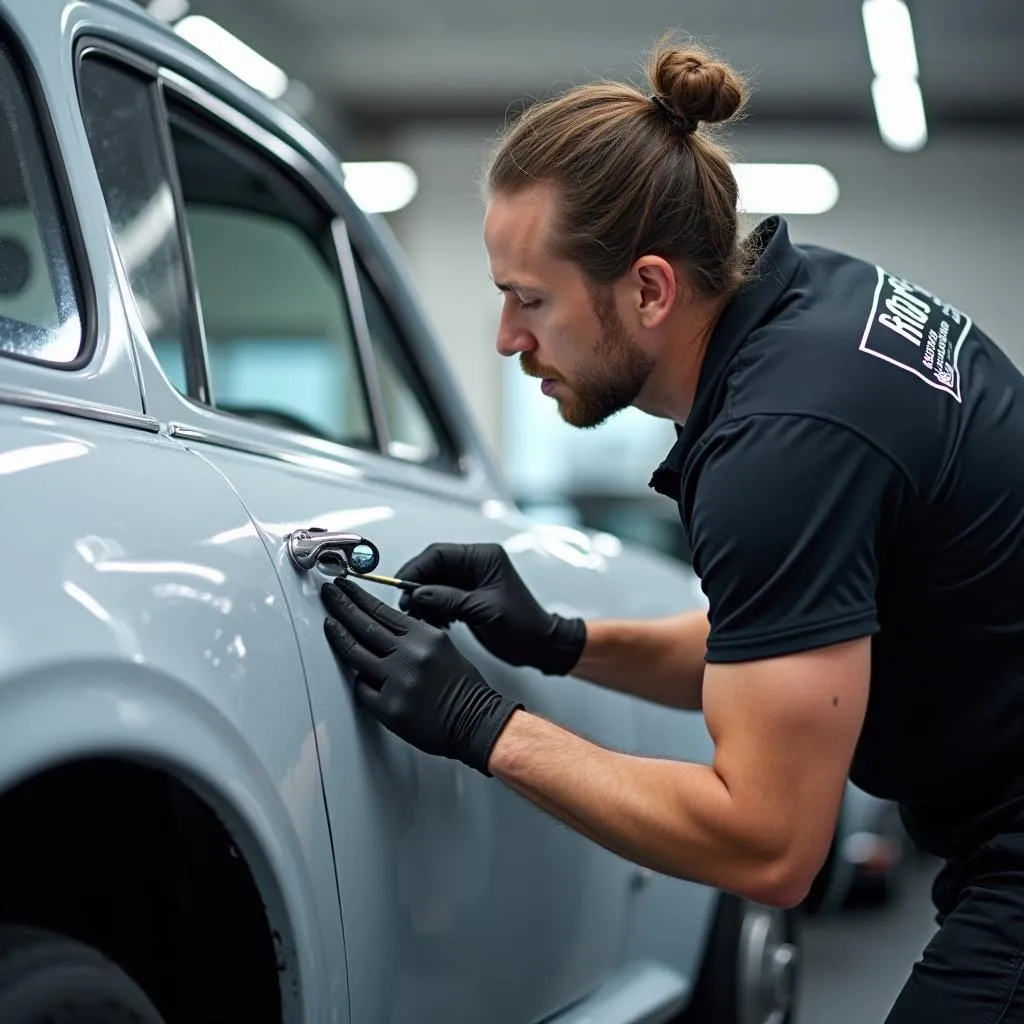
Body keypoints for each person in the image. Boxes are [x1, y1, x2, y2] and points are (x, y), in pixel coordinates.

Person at [320, 37, 1024, 1023]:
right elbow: (785, 637)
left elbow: (769, 846)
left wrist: (487, 728)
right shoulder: (811, 308)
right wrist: (558, 641)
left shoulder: (778, 444)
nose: (507, 339)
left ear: (649, 289)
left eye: (530, 300)